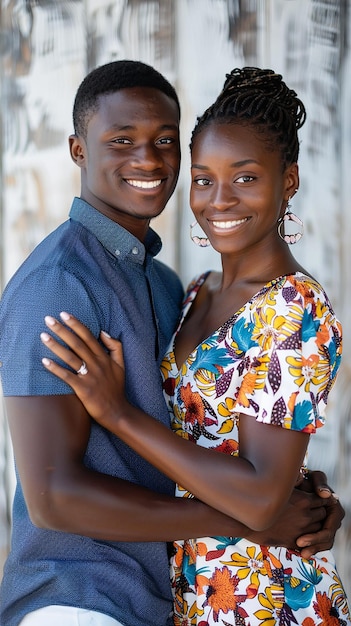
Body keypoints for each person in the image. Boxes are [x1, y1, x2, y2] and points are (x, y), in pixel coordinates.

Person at [0, 61, 344, 626]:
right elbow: (53, 497)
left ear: (288, 180)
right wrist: (261, 516)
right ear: (77, 150)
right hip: (82, 597)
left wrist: (302, 498)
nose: (148, 160)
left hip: (204, 595)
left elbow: (236, 454)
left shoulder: (168, 287)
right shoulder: (59, 284)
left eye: (164, 141)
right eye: (121, 140)